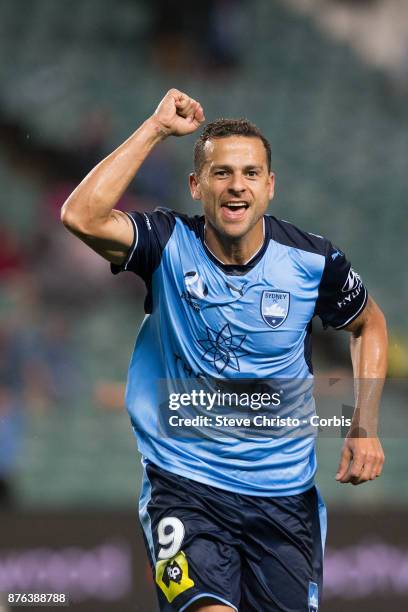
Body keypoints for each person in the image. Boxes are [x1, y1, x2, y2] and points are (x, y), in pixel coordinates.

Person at [61, 89, 387, 612]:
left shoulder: (312, 261)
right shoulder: (166, 244)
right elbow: (81, 215)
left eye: (251, 173)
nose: (237, 185)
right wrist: (156, 129)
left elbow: (369, 325)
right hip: (185, 486)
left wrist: (364, 425)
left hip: (284, 501)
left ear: (270, 186)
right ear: (196, 185)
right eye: (222, 173)